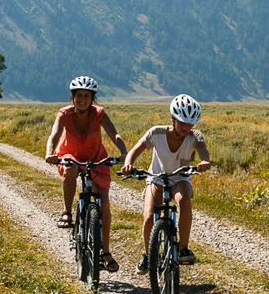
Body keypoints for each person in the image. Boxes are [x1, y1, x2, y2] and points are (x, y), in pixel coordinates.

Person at [44, 76, 128, 272]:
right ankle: (67, 211)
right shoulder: (64, 113)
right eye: (79, 95)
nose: (82, 99)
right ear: (72, 96)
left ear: (92, 98)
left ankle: (105, 252)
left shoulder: (98, 113)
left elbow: (113, 134)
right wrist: (49, 153)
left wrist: (124, 152)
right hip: (70, 154)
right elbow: (54, 135)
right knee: (70, 169)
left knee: (105, 206)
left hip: (95, 157)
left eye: (87, 96)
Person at [122, 94, 212, 273]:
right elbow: (134, 151)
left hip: (180, 178)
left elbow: (203, 150)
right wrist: (128, 164)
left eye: (191, 123)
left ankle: (183, 248)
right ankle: (148, 255)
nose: (187, 127)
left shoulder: (195, 136)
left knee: (185, 199)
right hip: (156, 177)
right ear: (172, 118)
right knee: (149, 217)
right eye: (183, 122)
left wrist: (204, 162)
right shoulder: (156, 133)